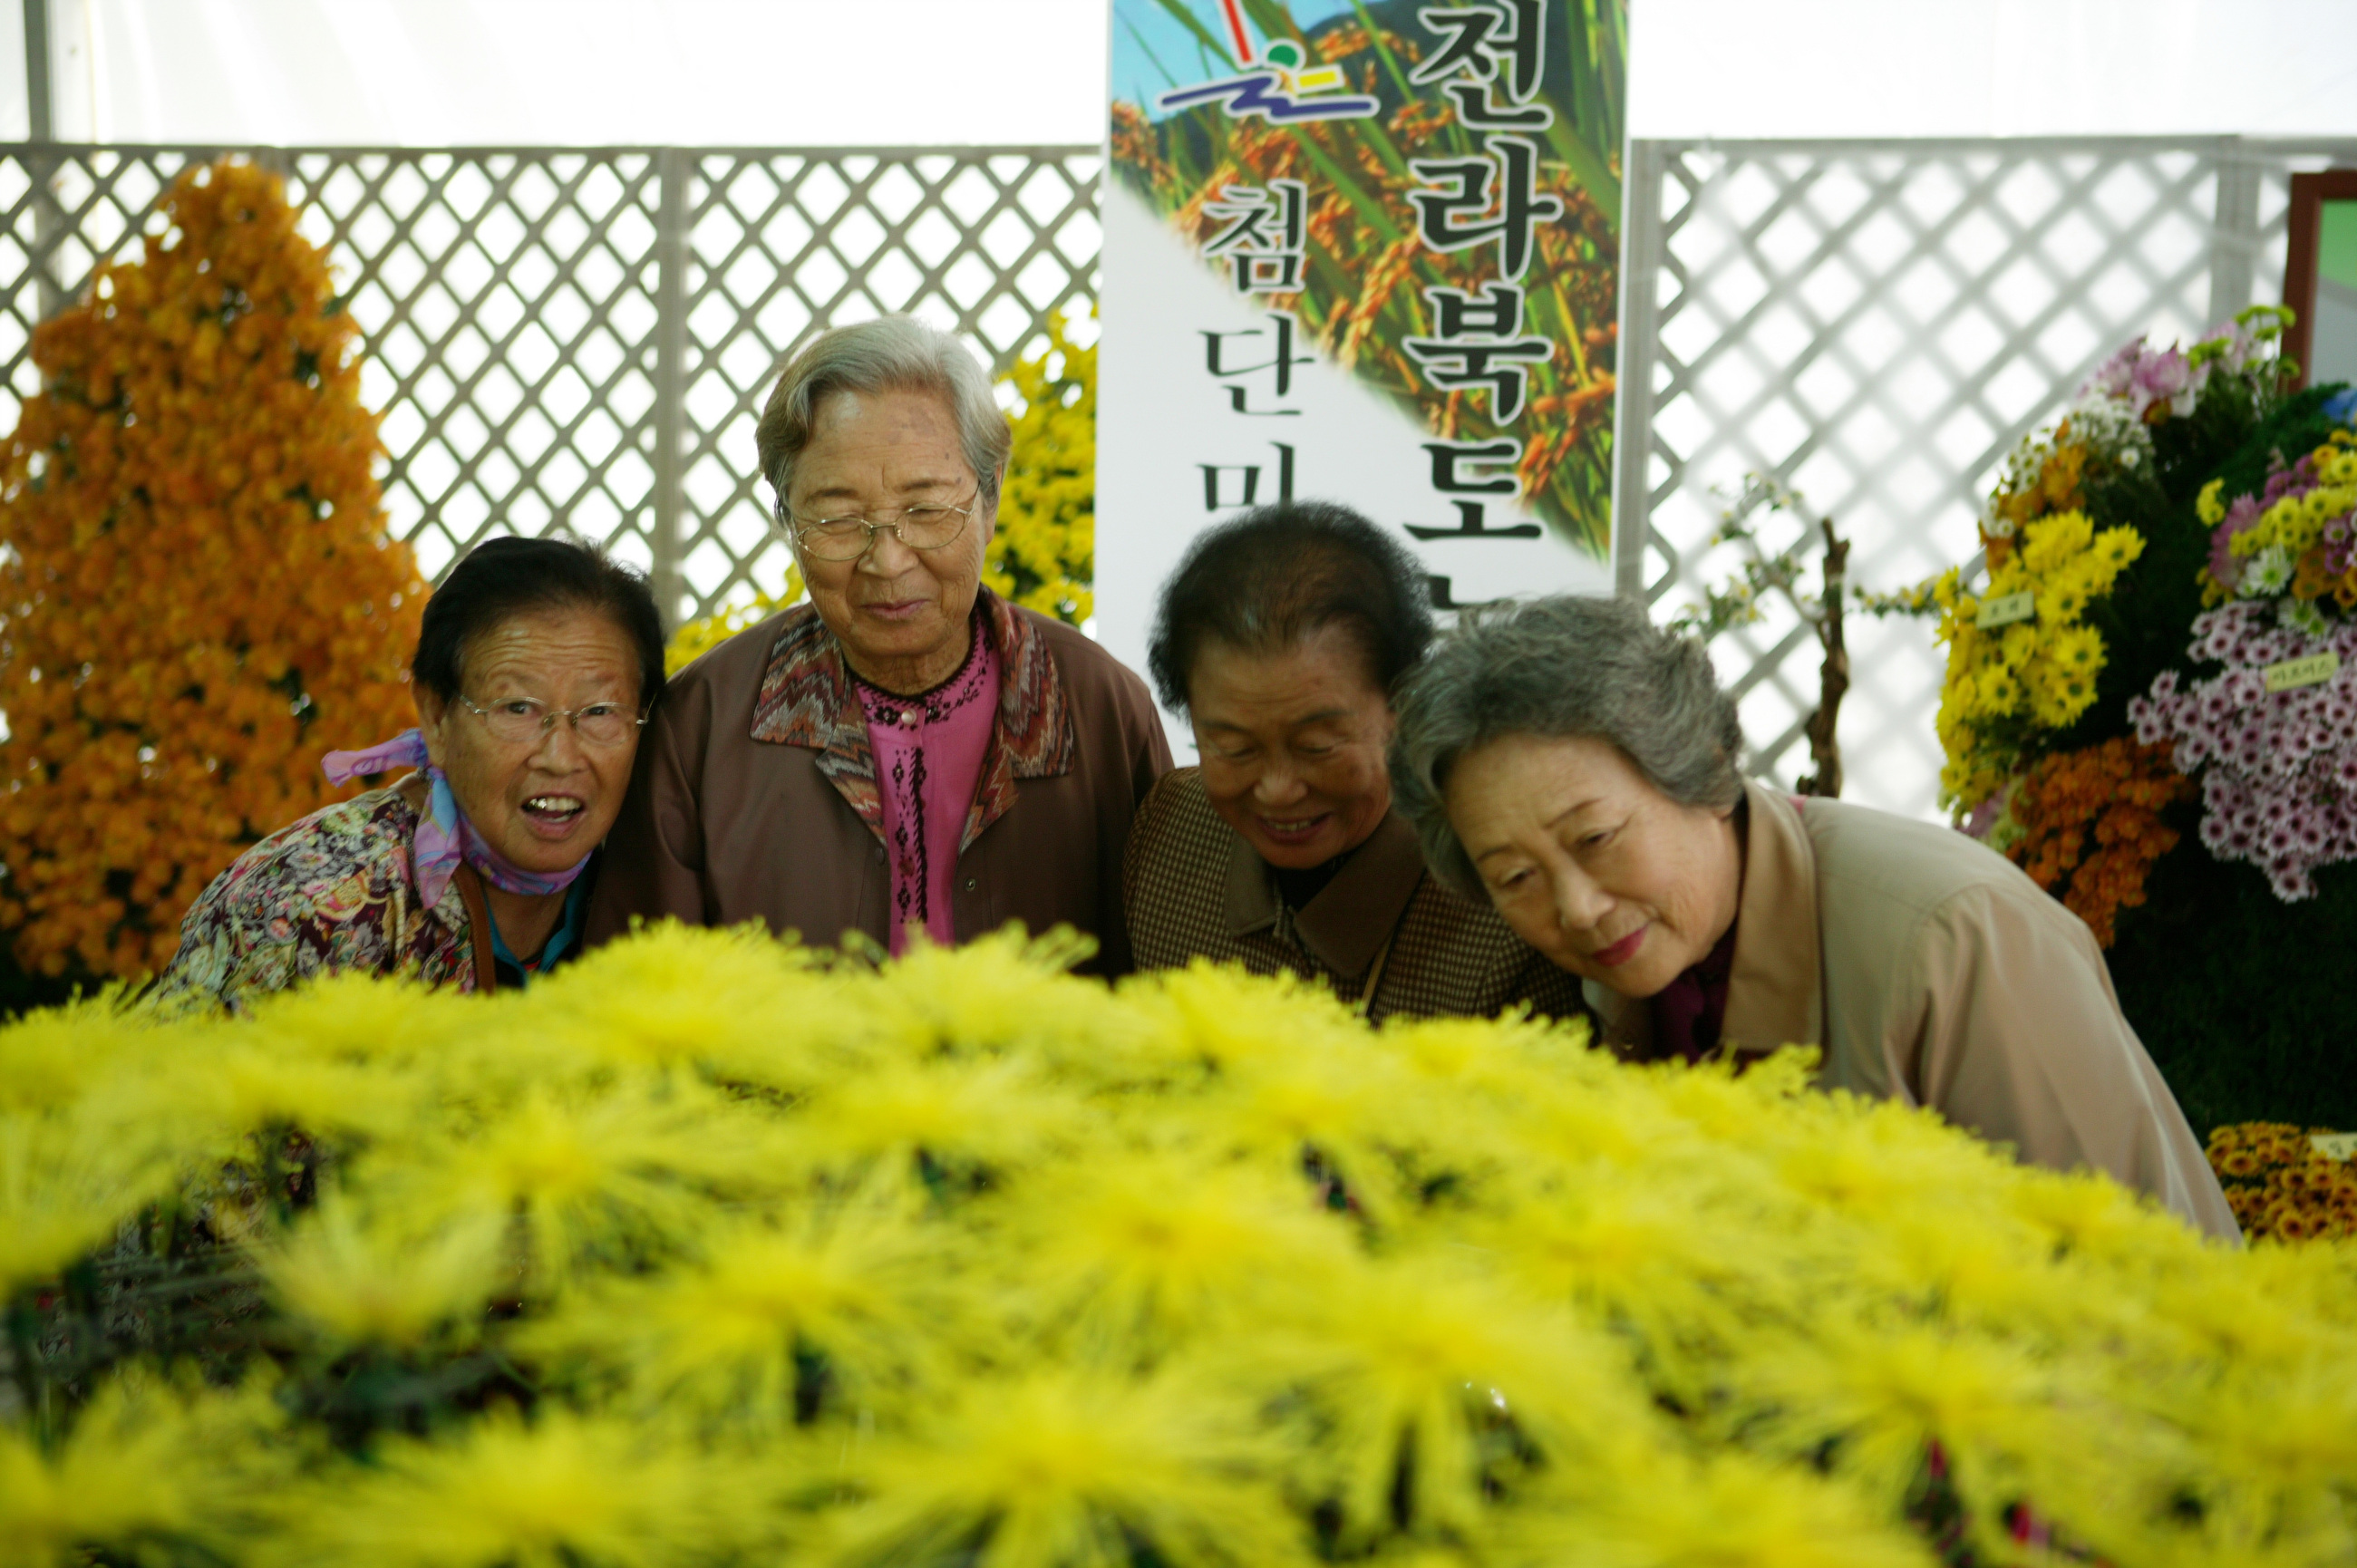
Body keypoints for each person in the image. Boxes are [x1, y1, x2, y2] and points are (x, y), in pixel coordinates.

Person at [1389, 593, 2238, 1239]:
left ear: (1705, 770)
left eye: (1599, 837)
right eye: (1514, 877)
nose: (1576, 908)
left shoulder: (1951, 935)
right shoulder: (1619, 976)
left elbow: (2136, 1282)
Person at [586, 315, 1169, 972]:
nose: (887, 561)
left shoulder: (1096, 706)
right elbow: (638, 992)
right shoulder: (708, 721)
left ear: (991, 494)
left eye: (925, 511)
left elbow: (1170, 975)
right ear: (786, 515)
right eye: (836, 518)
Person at [154, 537, 665, 1010]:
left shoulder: (657, 890)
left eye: (600, 712)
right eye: (517, 708)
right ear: (437, 718)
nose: (560, 756)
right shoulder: (307, 906)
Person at [1124, 502, 1585, 1024]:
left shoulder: (1501, 893)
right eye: (1233, 749)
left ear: (1402, 704)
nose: (1277, 790)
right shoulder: (1169, 833)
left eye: (1317, 746)